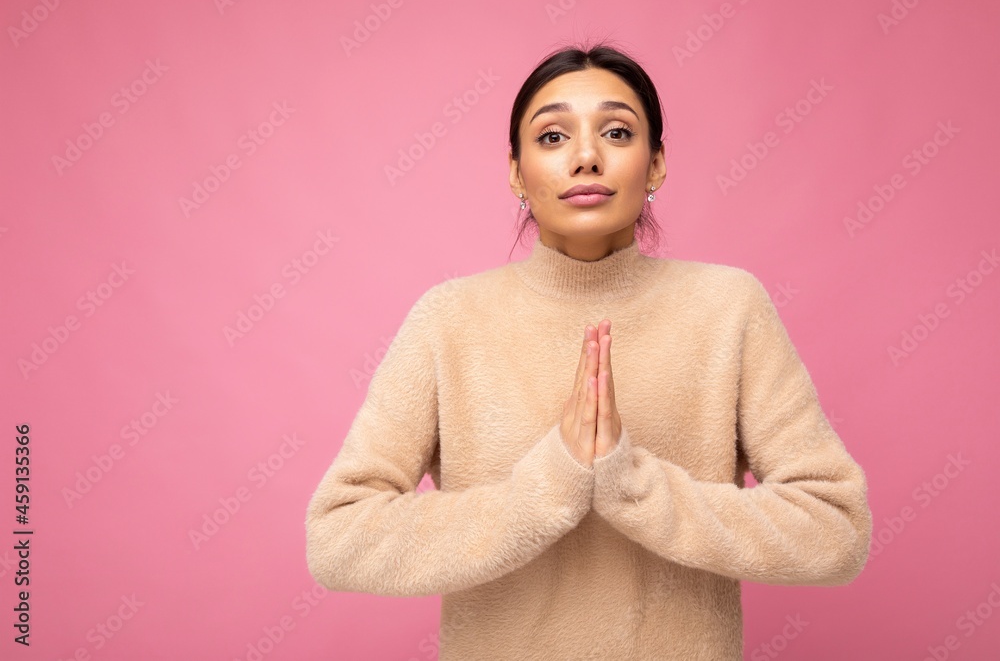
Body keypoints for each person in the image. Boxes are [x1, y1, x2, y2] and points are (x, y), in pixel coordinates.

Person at [305, 41, 872, 660]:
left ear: (655, 164)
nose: (585, 157)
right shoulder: (450, 319)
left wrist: (636, 486)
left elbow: (836, 530)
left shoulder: (728, 307)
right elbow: (338, 537)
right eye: (551, 137)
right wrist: (547, 489)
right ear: (517, 172)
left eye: (617, 132)